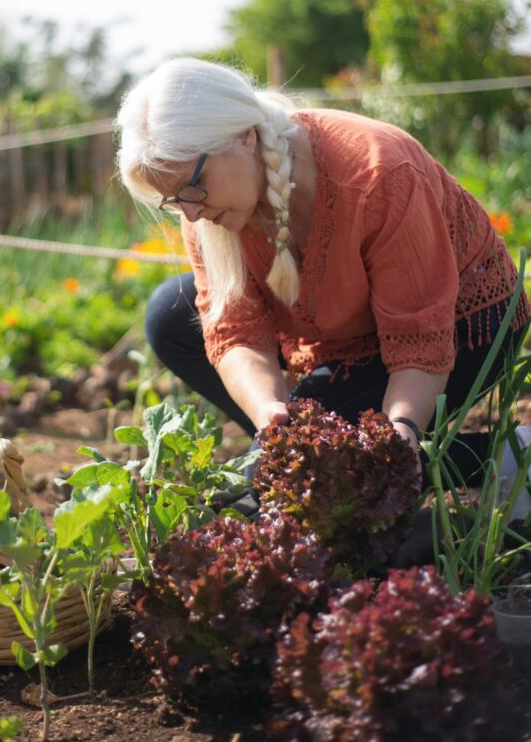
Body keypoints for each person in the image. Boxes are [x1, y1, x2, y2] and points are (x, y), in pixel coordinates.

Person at [115, 57, 531, 512]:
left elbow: (418, 334)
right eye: (172, 202)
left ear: (244, 137)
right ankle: (312, 452)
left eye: (192, 189)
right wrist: (270, 414)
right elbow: (235, 330)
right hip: (348, 334)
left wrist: (400, 429)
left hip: (462, 327)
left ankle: (501, 454)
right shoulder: (200, 201)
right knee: (171, 318)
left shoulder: (379, 171)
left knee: (317, 481)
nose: (189, 214)